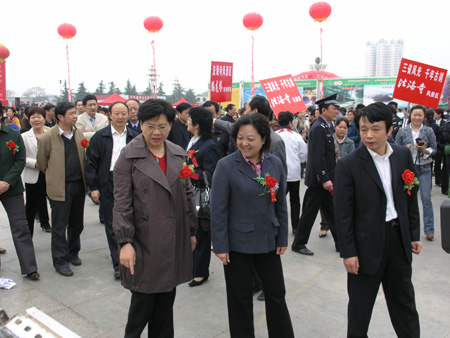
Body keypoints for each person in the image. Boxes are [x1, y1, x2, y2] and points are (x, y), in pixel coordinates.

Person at [334, 102, 422, 338]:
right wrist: (348, 252)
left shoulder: (402, 156)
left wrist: (413, 234)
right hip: (365, 247)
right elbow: (343, 214)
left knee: (404, 305)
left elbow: (410, 197)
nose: (369, 135)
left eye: (375, 129)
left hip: (397, 241)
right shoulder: (348, 165)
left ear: (389, 129)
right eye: (363, 129)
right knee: (360, 311)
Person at [113, 99, 198, 338]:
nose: (156, 132)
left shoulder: (177, 153)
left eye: (162, 126)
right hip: (144, 240)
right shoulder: (128, 157)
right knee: (142, 304)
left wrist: (191, 231)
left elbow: (187, 194)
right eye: (150, 126)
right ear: (140, 124)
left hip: (173, 236)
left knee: (165, 305)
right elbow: (121, 203)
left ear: (171, 125)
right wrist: (125, 242)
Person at [211, 113, 294, 338]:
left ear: (264, 139)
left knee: (276, 294)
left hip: (268, 241)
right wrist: (220, 245)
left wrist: (282, 237)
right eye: (240, 138)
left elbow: (281, 204)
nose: (244, 143)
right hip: (238, 244)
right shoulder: (226, 166)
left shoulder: (274, 163)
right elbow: (218, 209)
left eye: (250, 138)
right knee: (240, 299)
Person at [85, 101, 139, 279]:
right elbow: (91, 163)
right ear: (110, 115)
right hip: (108, 181)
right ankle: (118, 264)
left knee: (133, 220)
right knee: (112, 224)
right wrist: (93, 188)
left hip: (132, 181)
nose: (121, 116)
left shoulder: (136, 136)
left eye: (124, 113)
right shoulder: (100, 137)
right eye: (117, 113)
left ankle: (133, 256)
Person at [37, 102, 87, 277]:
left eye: (75, 113)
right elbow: (42, 164)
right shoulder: (47, 138)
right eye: (72, 113)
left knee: (77, 224)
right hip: (60, 187)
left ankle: (73, 253)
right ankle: (60, 261)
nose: (75, 116)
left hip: (79, 185)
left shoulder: (78, 133)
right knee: (59, 227)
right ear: (60, 116)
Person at [291, 94, 340, 255]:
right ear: (324, 110)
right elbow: (317, 156)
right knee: (309, 213)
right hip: (319, 181)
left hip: (324, 180)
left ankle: (341, 242)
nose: (337, 112)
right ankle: (298, 244)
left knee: (332, 212)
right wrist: (325, 178)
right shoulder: (319, 127)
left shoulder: (325, 126)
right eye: (334, 109)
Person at [0, 103, 40, 280]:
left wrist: (6, 181)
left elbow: (19, 160)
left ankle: (30, 267)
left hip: (12, 188)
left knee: (20, 227)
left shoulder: (13, 135)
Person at [185, 107, 219, 287]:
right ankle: (193, 267)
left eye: (189, 119)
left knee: (201, 235)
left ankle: (200, 272)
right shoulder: (193, 140)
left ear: (197, 124)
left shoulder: (209, 145)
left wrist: (189, 173)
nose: (187, 121)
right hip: (189, 194)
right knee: (192, 233)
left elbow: (211, 174)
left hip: (201, 198)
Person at [395, 105, 437, 241]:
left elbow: (434, 149)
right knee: (407, 199)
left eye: (420, 115)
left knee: (426, 199)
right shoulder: (403, 131)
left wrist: (424, 150)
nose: (417, 118)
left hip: (424, 167)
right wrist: (404, 149)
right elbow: (395, 148)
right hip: (407, 169)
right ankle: (406, 227)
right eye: (415, 115)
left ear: (424, 117)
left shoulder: (429, 131)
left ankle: (429, 229)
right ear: (410, 115)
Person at [276, 111, 307, 234]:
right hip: (293, 173)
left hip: (278, 173)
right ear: (290, 122)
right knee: (295, 201)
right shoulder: (297, 136)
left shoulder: (274, 135)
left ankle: (277, 224)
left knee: (278, 200)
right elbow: (304, 154)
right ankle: (295, 227)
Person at [21, 106, 51, 235]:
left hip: (50, 174)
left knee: (53, 203)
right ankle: (28, 235)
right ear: (29, 119)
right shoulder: (24, 137)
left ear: (44, 118)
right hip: (33, 175)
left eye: (39, 117)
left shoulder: (50, 134)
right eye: (33, 117)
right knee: (31, 206)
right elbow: (21, 158)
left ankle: (46, 222)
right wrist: (35, 164)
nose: (36, 120)